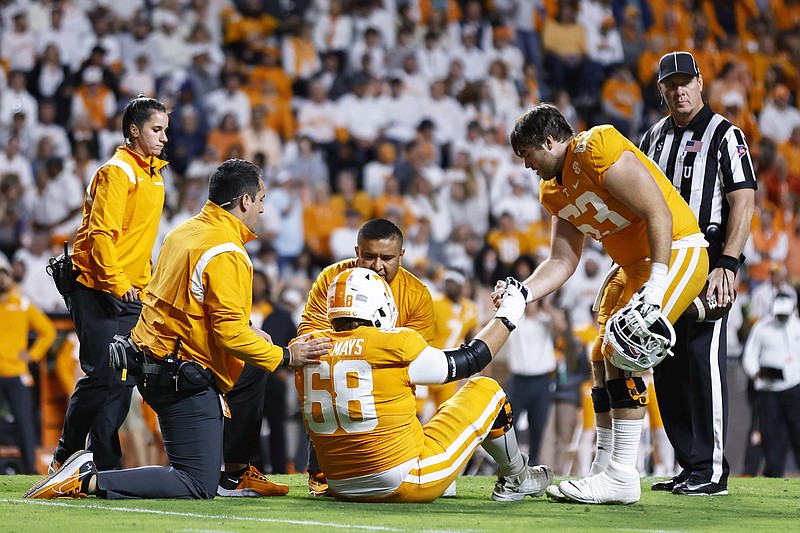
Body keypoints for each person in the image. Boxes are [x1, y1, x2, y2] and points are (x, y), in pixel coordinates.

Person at [25, 159, 331, 500]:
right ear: (245, 201)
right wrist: (288, 355)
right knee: (196, 483)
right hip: (178, 374)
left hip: (155, 358)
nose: (262, 207)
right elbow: (228, 334)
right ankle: (84, 480)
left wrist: (251, 336)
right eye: (261, 198)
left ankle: (235, 473)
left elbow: (193, 306)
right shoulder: (227, 251)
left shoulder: (185, 231)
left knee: (254, 365)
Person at [498, 103, 709, 505]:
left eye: (528, 154)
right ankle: (604, 465)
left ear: (548, 141)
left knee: (625, 344)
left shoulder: (595, 146)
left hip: (676, 248)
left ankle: (623, 476)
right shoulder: (552, 189)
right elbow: (563, 260)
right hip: (632, 265)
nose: (526, 165)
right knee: (601, 352)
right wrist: (522, 291)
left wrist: (658, 279)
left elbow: (657, 210)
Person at [296, 266, 552, 502]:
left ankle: (443, 477)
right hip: (400, 480)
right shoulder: (393, 343)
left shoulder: (306, 347)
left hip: (339, 483)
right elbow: (472, 359)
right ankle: (518, 478)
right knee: (486, 389)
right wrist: (509, 312)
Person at [639, 51, 757, 496]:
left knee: (704, 359)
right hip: (663, 262)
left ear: (701, 82)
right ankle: (690, 464)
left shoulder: (726, 134)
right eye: (671, 84)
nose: (680, 90)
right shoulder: (651, 138)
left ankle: (711, 469)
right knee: (666, 362)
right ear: (662, 90)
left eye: (686, 81)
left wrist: (727, 263)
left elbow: (742, 202)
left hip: (708, 258)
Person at [49, 96, 170, 473]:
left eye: (166, 129)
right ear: (134, 131)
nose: (165, 137)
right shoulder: (118, 171)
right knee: (103, 373)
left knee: (123, 378)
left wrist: (144, 284)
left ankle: (102, 467)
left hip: (131, 290)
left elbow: (139, 241)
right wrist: (119, 284)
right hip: (97, 287)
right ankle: (66, 454)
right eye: (156, 129)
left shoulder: (153, 175)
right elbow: (101, 235)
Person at [298, 217, 436, 496]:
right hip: (339, 372)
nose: (377, 266)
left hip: (389, 383)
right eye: (369, 256)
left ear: (402, 255)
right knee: (322, 377)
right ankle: (320, 471)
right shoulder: (330, 279)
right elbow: (309, 336)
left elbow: (420, 359)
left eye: (387, 258)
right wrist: (361, 350)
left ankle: (404, 463)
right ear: (357, 252)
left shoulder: (417, 294)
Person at [0, 253, 56, 474]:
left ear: (11, 278)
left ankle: (31, 471)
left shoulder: (22, 303)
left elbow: (49, 331)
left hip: (16, 372)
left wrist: (32, 356)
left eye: (4, 275)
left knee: (25, 423)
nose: (1, 280)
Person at [741, 293, 800, 478]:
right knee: (771, 435)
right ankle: (774, 473)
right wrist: (755, 372)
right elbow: (749, 355)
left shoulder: (797, 327)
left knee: (798, 431)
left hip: (794, 387)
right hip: (768, 389)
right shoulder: (762, 327)